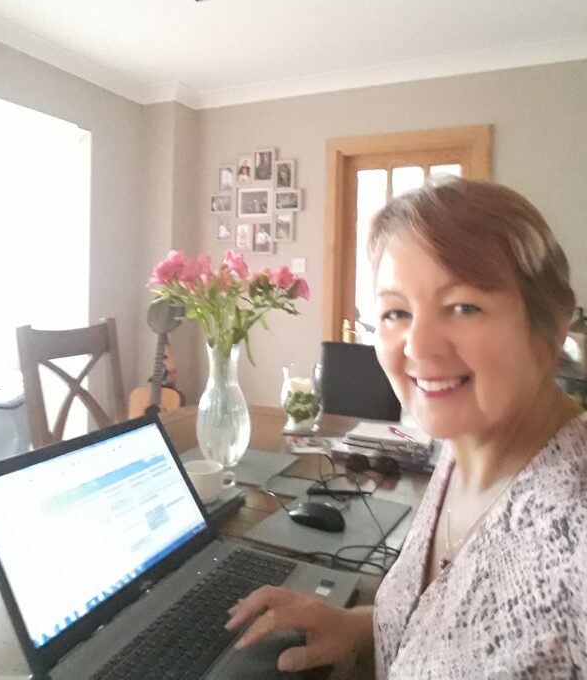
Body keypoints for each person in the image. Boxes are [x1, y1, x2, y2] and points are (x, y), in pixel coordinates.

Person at [226, 177, 587, 677]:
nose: (417, 345)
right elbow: (444, 628)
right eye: (396, 312)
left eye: (464, 307)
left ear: (551, 326)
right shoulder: (462, 446)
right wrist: (357, 626)